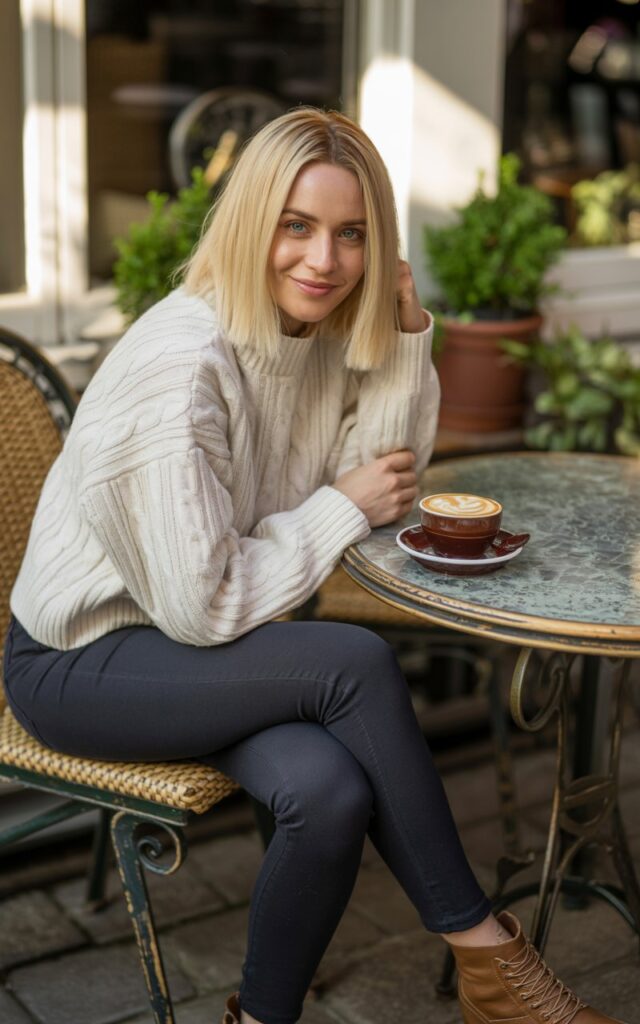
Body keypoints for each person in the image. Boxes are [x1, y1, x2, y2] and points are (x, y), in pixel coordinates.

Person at [4, 108, 624, 1024]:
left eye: (351, 236)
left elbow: (390, 485)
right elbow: (206, 604)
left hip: (207, 652)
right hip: (84, 661)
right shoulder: (181, 369)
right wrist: (338, 505)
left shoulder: (313, 330)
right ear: (254, 221)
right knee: (358, 663)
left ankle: (260, 1017)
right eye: (296, 226)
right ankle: (493, 961)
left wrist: (408, 333)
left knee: (327, 794)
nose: (324, 262)